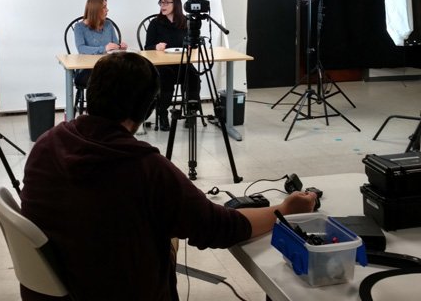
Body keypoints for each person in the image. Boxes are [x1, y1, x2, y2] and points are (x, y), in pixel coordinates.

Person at [20, 52, 317, 301]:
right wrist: (284, 210)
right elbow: (217, 228)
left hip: (54, 290)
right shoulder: (143, 167)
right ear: (148, 108)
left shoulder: (48, 143)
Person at [144, 0, 200, 131]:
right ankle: (163, 113)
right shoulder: (155, 23)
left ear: (176, 4)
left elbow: (194, 44)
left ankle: (191, 112)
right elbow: (147, 47)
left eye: (166, 2)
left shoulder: (185, 22)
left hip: (182, 63)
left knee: (193, 76)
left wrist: (191, 46)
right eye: (161, 2)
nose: (162, 5)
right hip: (162, 65)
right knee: (166, 77)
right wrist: (156, 47)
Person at [73, 0, 127, 86]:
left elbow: (114, 45)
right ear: (95, 10)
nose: (107, 10)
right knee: (112, 79)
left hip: (108, 66)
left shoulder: (108, 24)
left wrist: (120, 47)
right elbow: (81, 48)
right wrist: (104, 48)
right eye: (104, 7)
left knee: (127, 74)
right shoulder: (79, 27)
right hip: (88, 69)